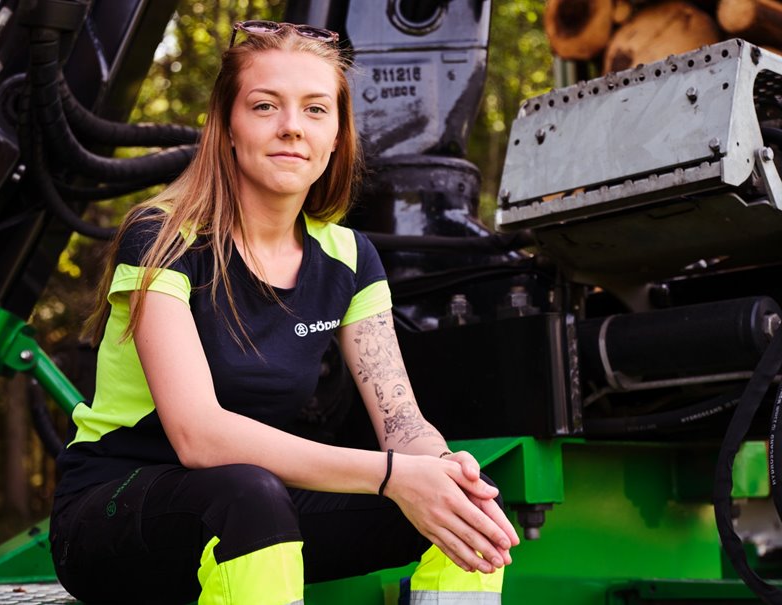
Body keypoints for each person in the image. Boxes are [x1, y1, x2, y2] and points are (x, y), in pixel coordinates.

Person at [50, 20, 520, 605]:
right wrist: (392, 475)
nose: (292, 128)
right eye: (266, 106)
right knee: (249, 496)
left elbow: (401, 423)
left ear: (337, 135)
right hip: (117, 511)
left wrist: (444, 470)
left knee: (465, 516)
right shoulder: (163, 237)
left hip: (256, 501)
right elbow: (198, 437)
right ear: (226, 128)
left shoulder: (350, 257)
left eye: (316, 110)